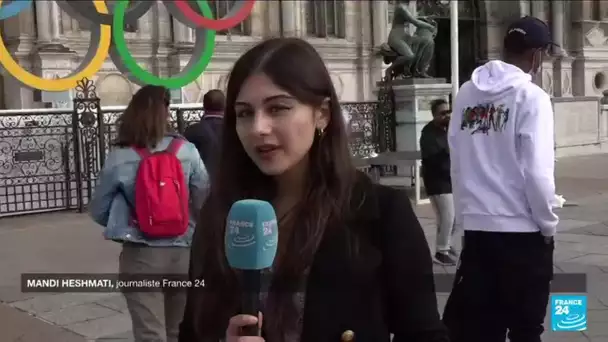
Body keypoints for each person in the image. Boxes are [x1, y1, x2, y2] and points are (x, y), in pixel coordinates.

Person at [178, 37, 449, 342]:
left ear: (322, 113)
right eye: (244, 113)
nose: (258, 128)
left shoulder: (381, 214)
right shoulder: (221, 215)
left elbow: (424, 335)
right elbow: (192, 330)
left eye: (278, 108)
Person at [442, 16, 559, 342]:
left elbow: (457, 160)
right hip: (521, 232)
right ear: (537, 55)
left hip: (479, 231)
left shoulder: (466, 93)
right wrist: (547, 225)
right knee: (525, 328)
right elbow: (537, 172)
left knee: (479, 329)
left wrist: (465, 219)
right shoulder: (532, 98)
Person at [89, 85, 208, 342]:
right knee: (180, 330)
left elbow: (98, 210)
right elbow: (204, 199)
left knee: (149, 333)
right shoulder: (186, 151)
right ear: (166, 114)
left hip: (141, 254)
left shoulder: (119, 157)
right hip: (183, 254)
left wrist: (127, 221)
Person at [420, 98, 458, 265]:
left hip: (449, 180)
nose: (447, 116)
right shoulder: (429, 134)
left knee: (451, 218)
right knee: (447, 217)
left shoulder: (446, 130)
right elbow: (437, 158)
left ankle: (446, 246)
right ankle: (441, 251)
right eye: (442, 113)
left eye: (448, 112)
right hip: (438, 182)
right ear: (434, 115)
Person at [184, 89, 225, 176]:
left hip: (200, 184)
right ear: (224, 106)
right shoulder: (235, 130)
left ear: (204, 106)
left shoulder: (192, 131)